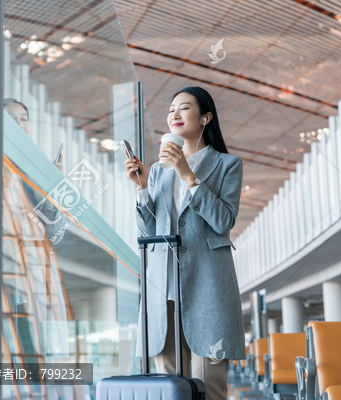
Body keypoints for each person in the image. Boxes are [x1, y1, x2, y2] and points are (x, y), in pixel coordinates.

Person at [123, 87, 246, 400]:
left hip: (208, 286)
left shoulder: (227, 165)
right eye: (171, 109)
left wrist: (187, 174)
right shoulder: (158, 174)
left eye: (184, 108)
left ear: (206, 117)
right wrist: (140, 188)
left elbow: (223, 221)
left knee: (211, 388)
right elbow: (150, 229)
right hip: (163, 288)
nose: (174, 115)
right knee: (170, 387)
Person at [3, 98, 67, 244]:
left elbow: (53, 236)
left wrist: (52, 190)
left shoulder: (34, 171)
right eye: (10, 119)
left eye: (24, 119)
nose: (19, 125)